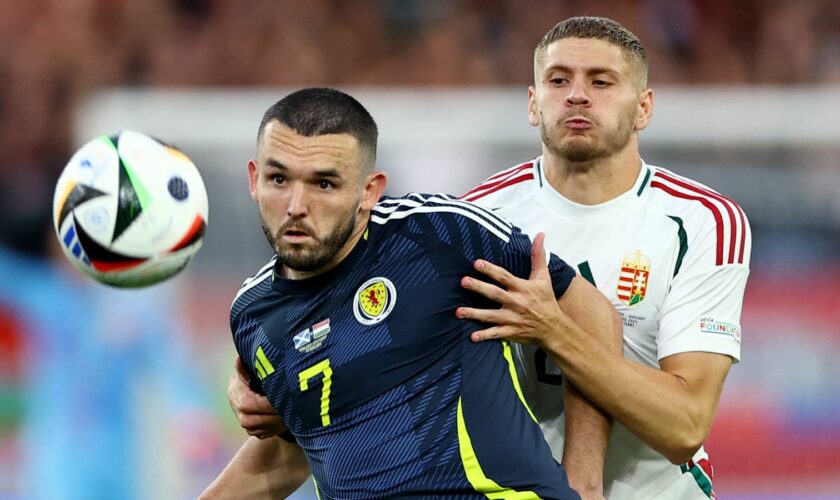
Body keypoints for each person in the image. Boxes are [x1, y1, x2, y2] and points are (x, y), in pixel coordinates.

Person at [200, 87, 622, 499]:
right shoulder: (253, 314)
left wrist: (584, 481)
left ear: (369, 192)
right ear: (254, 180)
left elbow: (592, 315)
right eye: (279, 179)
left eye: (324, 184)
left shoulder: (440, 236)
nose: (295, 204)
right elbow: (297, 447)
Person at [457, 16, 751, 499]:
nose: (576, 95)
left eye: (601, 81)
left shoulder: (705, 221)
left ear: (643, 108)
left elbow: (684, 426)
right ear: (533, 104)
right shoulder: (477, 217)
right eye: (558, 80)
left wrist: (555, 330)